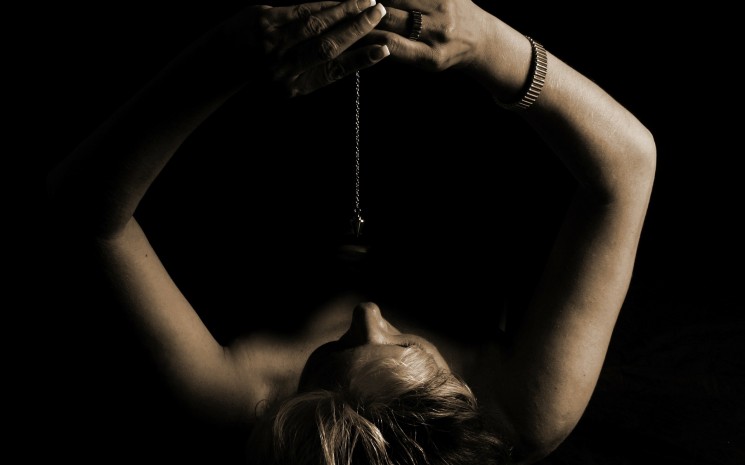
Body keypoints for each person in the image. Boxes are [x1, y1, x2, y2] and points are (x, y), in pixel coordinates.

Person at [46, 0, 656, 463]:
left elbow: (84, 216)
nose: (369, 313)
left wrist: (230, 52)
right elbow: (627, 167)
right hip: (467, 119)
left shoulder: (231, 397)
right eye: (406, 345)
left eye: (333, 351)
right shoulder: (520, 409)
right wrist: (493, 46)